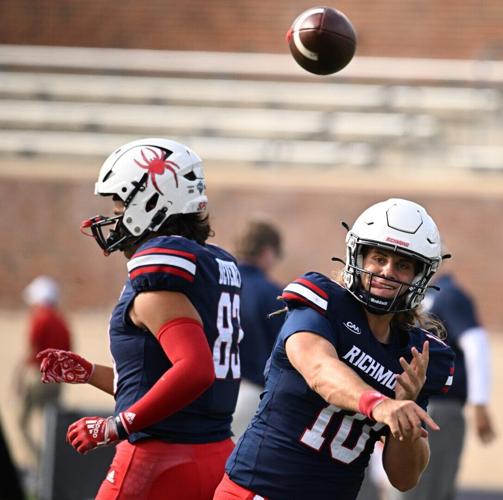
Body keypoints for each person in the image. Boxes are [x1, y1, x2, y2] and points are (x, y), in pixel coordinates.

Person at [36, 138, 243, 500]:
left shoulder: (157, 283)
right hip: (216, 455)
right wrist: (90, 373)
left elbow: (195, 370)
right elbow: (166, 386)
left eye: (118, 203)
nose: (112, 217)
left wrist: (114, 426)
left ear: (150, 201)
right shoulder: (210, 264)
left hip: (158, 459)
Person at [214, 198, 455, 499]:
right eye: (379, 258)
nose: (387, 271)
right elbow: (319, 370)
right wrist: (380, 403)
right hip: (260, 490)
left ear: (420, 276)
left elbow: (405, 478)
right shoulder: (321, 305)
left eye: (403, 265)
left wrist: (406, 412)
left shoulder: (415, 354)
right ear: (359, 256)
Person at [392, 273, 496, 500]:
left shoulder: (431, 295)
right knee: (429, 490)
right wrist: (480, 402)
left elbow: (475, 344)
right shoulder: (446, 295)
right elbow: (477, 345)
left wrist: (480, 401)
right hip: (436, 407)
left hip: (415, 403)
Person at [232, 220, 284, 438]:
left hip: (209, 389)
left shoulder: (215, 283)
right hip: (252, 391)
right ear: (267, 251)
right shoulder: (273, 293)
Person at [14, 276, 72, 462]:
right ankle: (52, 465)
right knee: (51, 424)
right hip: (57, 378)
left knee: (22, 422)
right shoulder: (62, 321)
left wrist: (18, 377)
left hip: (38, 376)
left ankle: (40, 463)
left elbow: (31, 350)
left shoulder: (40, 318)